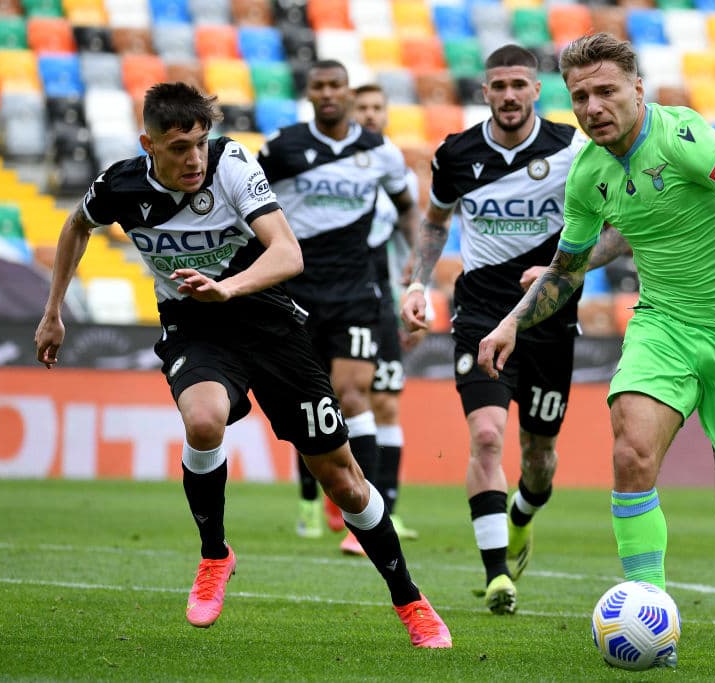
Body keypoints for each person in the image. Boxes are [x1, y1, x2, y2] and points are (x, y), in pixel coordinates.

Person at [34, 82, 451, 648]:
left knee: (344, 482)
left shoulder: (230, 163)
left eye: (199, 143)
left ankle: (410, 600)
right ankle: (214, 557)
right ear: (147, 144)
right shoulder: (120, 185)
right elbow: (76, 227)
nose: (193, 158)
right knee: (202, 421)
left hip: (269, 323)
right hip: (196, 327)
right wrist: (54, 310)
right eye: (179, 147)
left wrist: (227, 288)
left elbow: (287, 252)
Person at [478, 33, 715, 597]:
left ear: (638, 89)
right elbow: (567, 269)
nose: (593, 108)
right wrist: (511, 321)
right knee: (631, 451)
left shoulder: (683, 137)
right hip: (664, 325)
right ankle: (647, 604)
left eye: (606, 92)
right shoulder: (587, 173)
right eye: (580, 97)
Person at [400, 44, 626, 615]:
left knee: (540, 457)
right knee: (484, 438)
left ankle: (522, 515)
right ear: (485, 93)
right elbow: (434, 224)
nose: (508, 95)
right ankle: (498, 575)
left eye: (518, 85)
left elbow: (621, 232)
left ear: (535, 91)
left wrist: (568, 267)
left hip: (548, 318)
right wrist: (416, 283)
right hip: (478, 315)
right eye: (498, 85)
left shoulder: (575, 150)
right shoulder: (455, 154)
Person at [257, 61, 423, 556]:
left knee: (355, 397)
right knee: (307, 404)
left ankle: (364, 516)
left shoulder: (379, 152)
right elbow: (248, 207)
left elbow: (409, 209)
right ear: (309, 92)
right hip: (295, 295)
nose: (328, 93)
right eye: (318, 86)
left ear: (348, 93)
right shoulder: (281, 147)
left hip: (355, 295)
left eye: (336, 85)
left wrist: (419, 269)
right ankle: (315, 496)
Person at [353, 83, 422, 540]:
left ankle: (386, 508)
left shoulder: (398, 173)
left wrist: (414, 299)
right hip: (335, 303)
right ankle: (338, 501)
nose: (371, 114)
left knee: (386, 404)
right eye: (364, 107)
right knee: (343, 401)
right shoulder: (328, 170)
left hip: (383, 305)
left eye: (379, 107)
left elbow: (412, 244)